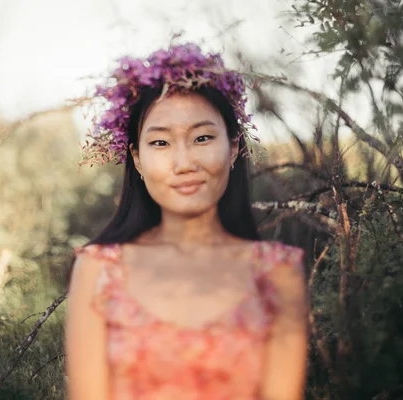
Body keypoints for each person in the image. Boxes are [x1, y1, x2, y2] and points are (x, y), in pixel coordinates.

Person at [65, 43, 308, 400]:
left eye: (202, 138)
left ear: (234, 146)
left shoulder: (277, 272)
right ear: (136, 158)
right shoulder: (98, 270)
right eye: (161, 143)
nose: (184, 162)